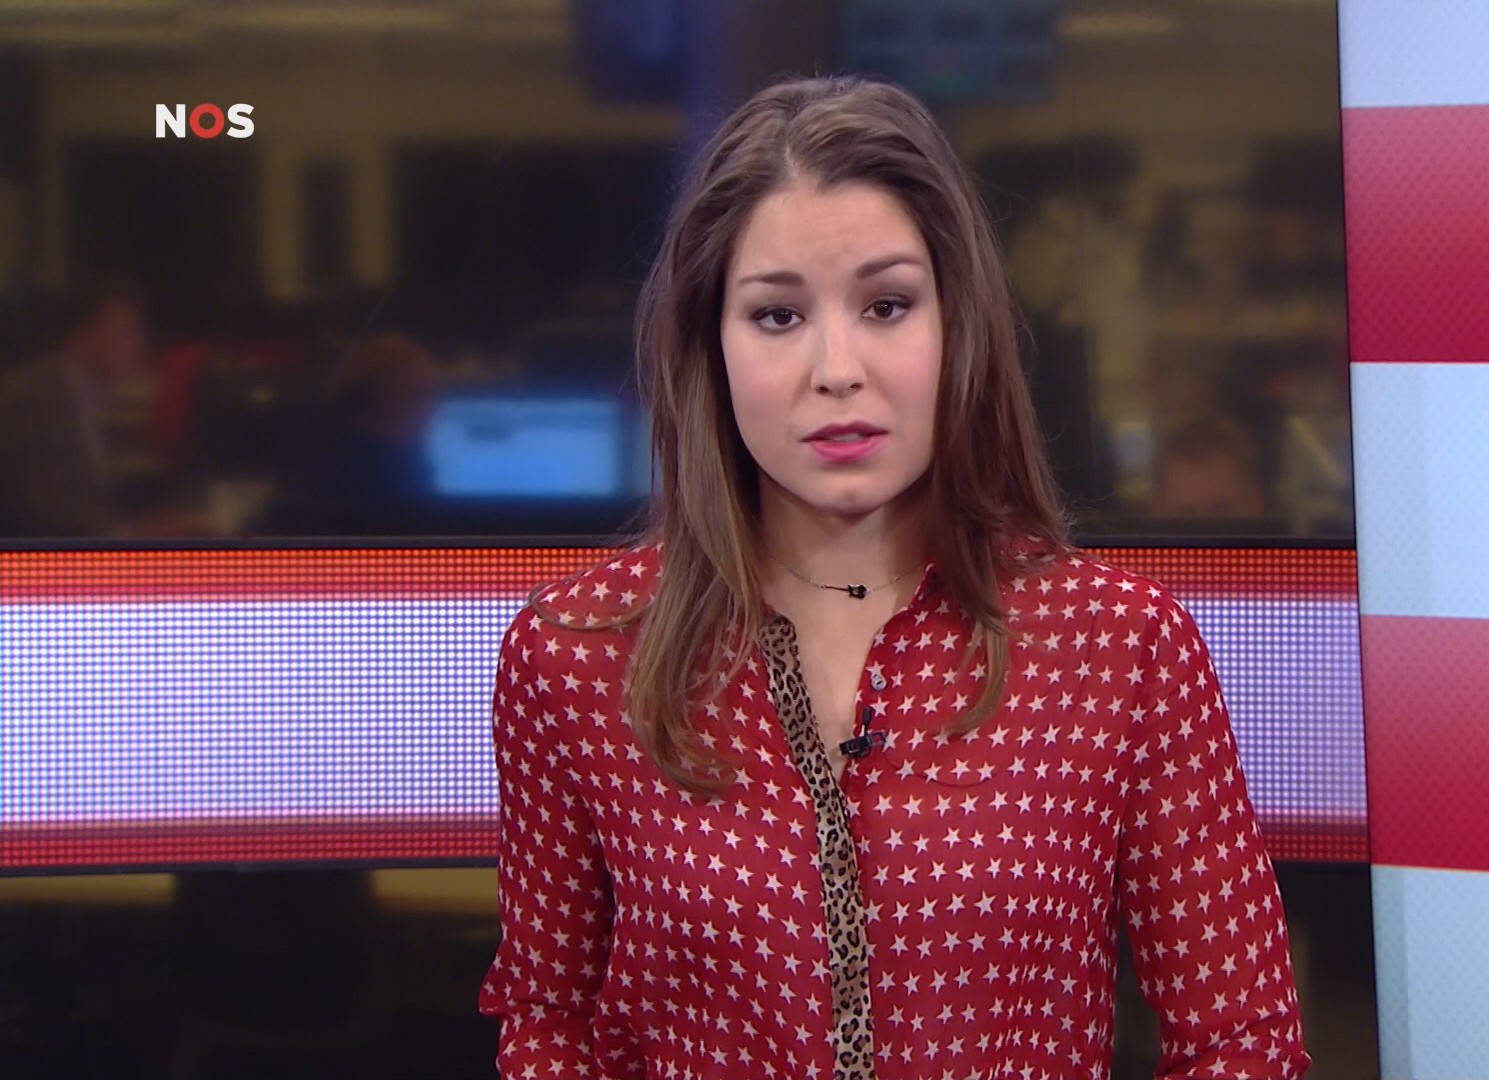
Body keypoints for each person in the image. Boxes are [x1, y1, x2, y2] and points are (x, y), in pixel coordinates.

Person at [478, 75, 1311, 1080]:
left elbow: (1240, 1038)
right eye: (777, 315)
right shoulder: (578, 656)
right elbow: (548, 1021)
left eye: (886, 305)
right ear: (710, 344)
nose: (837, 368)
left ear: (958, 324)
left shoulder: (1119, 647)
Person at [0, 279, 150, 537]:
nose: (139, 345)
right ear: (81, 337)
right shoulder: (34, 400)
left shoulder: (85, 395)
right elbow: (44, 510)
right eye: (126, 332)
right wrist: (132, 534)